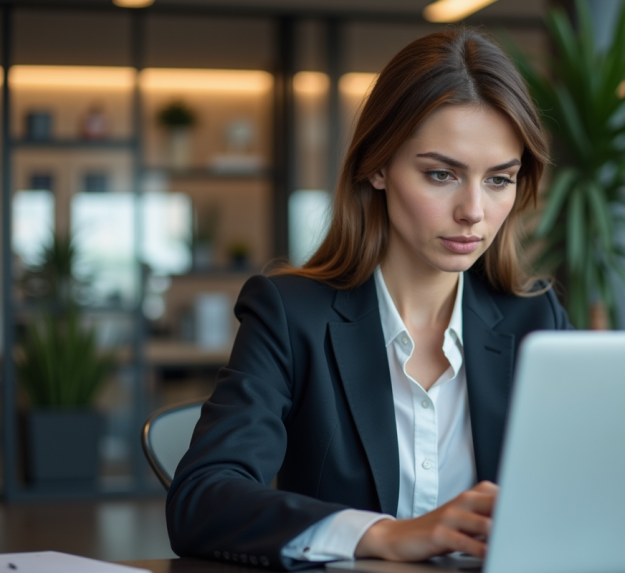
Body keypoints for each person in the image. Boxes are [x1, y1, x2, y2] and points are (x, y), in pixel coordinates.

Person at [166, 27, 571, 570]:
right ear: (377, 166)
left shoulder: (536, 319)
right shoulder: (290, 314)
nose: (473, 210)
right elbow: (201, 500)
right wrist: (384, 535)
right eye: (441, 174)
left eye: (499, 180)